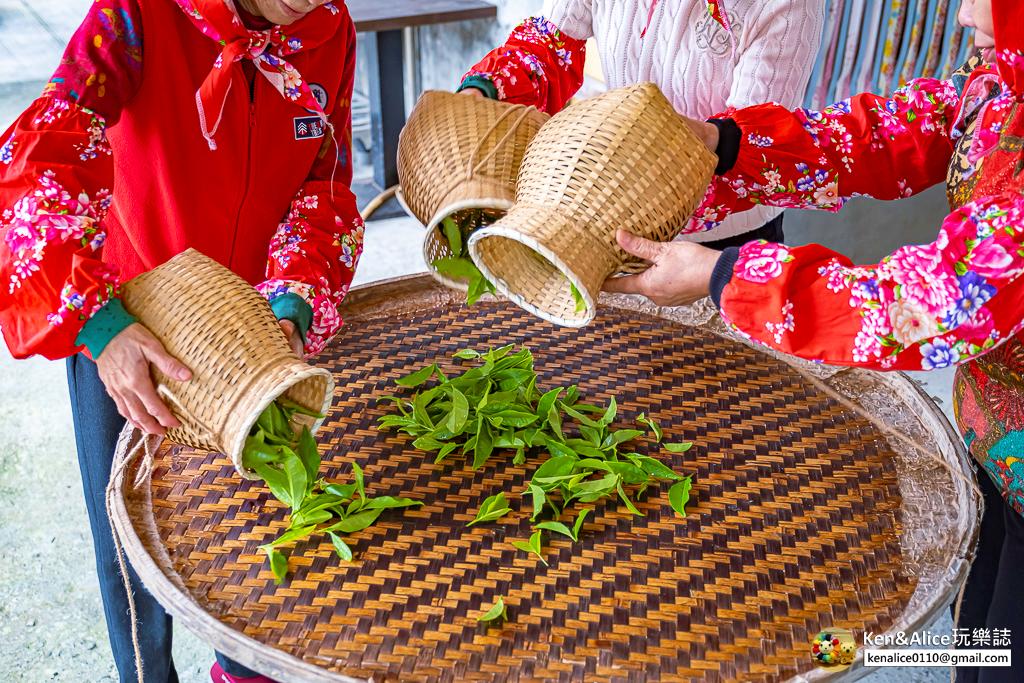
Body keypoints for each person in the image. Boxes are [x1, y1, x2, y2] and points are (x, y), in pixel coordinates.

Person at [605, 1, 1024, 680]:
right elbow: (896, 132)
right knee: (979, 635)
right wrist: (732, 143)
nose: (962, 14)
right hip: (996, 446)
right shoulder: (1000, 81)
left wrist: (724, 274)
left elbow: (928, 303)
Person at [0, 0, 364, 681]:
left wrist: (290, 302)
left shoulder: (327, 29)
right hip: (127, 328)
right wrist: (101, 326)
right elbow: (41, 157)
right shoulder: (140, 15)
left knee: (255, 524)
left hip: (246, 338)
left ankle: (243, 667)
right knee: (134, 542)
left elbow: (322, 184)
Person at [458, 0, 825, 249]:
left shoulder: (787, 6)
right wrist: (488, 91)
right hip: (615, 210)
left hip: (725, 240)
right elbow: (548, 46)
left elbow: (750, 143)